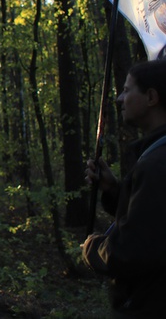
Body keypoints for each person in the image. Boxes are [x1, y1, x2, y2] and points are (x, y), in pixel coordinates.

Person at [83, 59, 166, 316]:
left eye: (128, 90)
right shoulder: (156, 156)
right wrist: (115, 191)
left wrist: (92, 248)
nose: (119, 99)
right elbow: (156, 221)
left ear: (151, 97)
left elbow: (133, 251)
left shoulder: (156, 164)